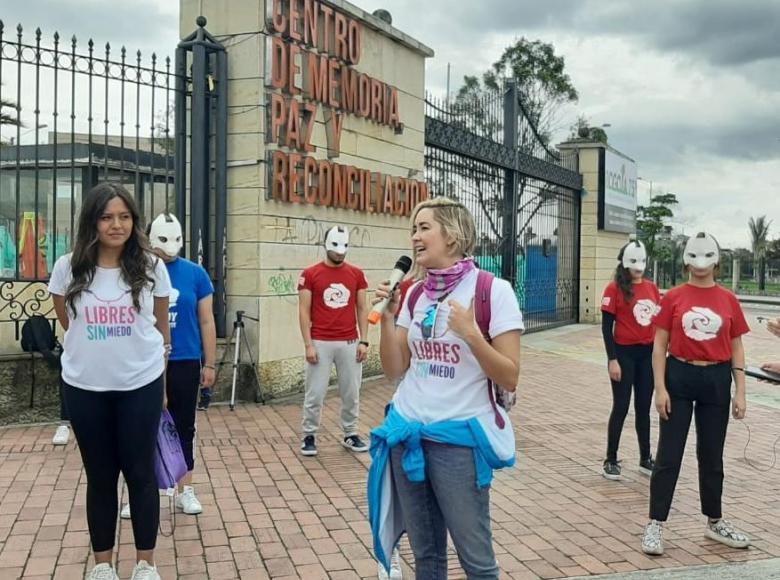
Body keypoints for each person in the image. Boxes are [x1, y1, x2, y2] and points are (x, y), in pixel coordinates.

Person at [368, 197, 522, 579]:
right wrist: (388, 319)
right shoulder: (416, 295)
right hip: (408, 435)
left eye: (424, 228)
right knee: (428, 559)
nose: (415, 237)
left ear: (452, 235)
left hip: (459, 443)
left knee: (477, 561)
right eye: (413, 229)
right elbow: (395, 368)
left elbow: (510, 375)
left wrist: (471, 334)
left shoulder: (493, 291)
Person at [48, 183, 171, 580]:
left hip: (141, 384)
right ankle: (103, 565)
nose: (116, 225)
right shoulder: (68, 266)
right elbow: (69, 321)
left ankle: (145, 563)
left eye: (124, 216)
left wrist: (163, 383)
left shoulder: (152, 267)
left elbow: (160, 328)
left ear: (134, 221)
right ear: (92, 221)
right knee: (100, 476)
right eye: (106, 217)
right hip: (86, 388)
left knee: (140, 473)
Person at [641, 232, 750, 556]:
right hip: (680, 375)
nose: (701, 263)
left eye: (707, 256)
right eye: (695, 255)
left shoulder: (729, 299)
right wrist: (660, 388)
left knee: (712, 454)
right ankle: (655, 524)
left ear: (717, 260)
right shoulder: (673, 297)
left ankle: (714, 520)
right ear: (686, 258)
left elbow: (736, 345)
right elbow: (659, 344)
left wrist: (740, 391)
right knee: (669, 454)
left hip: (716, 378)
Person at [120, 212, 216, 519]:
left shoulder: (195, 274)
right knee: (139, 428)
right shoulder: (134, 272)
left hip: (185, 360)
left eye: (174, 239)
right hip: (145, 361)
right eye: (162, 239)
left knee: (184, 426)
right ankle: (138, 493)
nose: (169, 246)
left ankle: (185, 488)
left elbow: (206, 319)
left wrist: (210, 362)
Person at [298, 225, 370, 456]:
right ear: (326, 245)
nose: (340, 252)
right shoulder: (310, 274)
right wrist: (308, 344)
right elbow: (303, 310)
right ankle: (309, 435)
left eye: (344, 247)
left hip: (349, 342)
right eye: (336, 247)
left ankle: (350, 433)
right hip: (320, 341)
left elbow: (362, 307)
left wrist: (364, 340)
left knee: (351, 392)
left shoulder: (357, 274)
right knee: (315, 393)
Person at [600, 240, 660, 480]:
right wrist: (612, 359)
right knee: (621, 406)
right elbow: (607, 328)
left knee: (643, 407)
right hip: (624, 354)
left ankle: (646, 458)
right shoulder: (613, 289)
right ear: (624, 262)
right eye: (634, 261)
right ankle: (611, 458)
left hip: (647, 355)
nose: (639, 266)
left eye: (642, 261)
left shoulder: (652, 288)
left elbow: (659, 321)